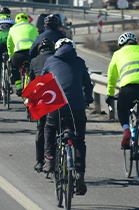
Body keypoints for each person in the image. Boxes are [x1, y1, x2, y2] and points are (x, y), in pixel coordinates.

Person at [40, 38, 93, 195]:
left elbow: (41, 82)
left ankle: (49, 159)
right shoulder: (80, 62)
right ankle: (80, 174)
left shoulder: (50, 60)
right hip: (77, 107)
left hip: (56, 105)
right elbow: (88, 85)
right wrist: (88, 100)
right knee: (79, 141)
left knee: (49, 127)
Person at [105, 32, 139, 168]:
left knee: (122, 109)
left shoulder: (117, 54)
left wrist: (109, 94)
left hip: (128, 88)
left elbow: (112, 76)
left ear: (121, 44)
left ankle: (127, 130)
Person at [26, 38, 56, 173]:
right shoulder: (57, 59)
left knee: (41, 129)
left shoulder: (34, 61)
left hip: (42, 101)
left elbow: (32, 84)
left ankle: (39, 161)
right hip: (57, 97)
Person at [6, 13, 38, 92]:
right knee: (35, 69)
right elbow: (38, 40)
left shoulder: (13, 28)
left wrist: (11, 55)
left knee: (14, 66)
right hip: (32, 53)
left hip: (19, 53)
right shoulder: (33, 27)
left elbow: (9, 44)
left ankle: (19, 87)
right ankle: (35, 86)